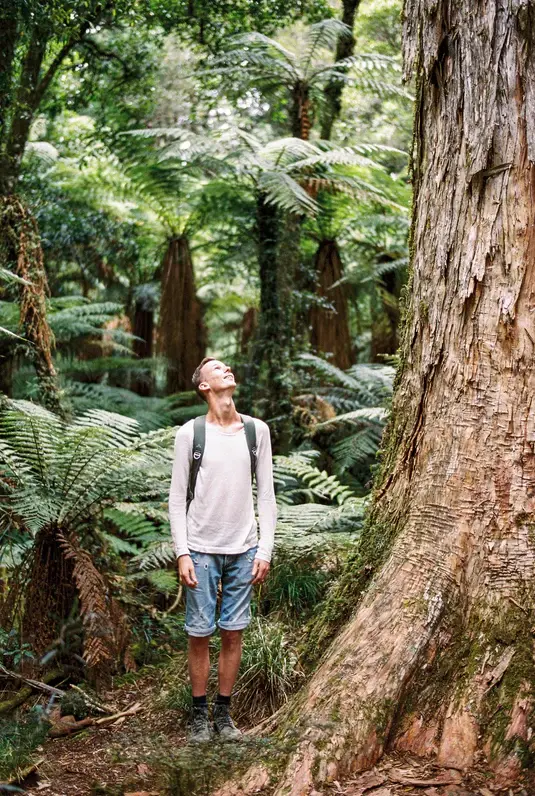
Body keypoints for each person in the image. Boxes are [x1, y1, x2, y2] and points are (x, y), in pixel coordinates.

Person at [169, 357, 277, 743]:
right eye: (217, 368)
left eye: (229, 367)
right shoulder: (190, 434)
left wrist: (265, 549)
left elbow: (266, 495)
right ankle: (199, 716)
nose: (227, 370)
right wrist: (182, 552)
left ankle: (224, 715)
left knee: (233, 633)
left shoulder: (256, 431)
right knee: (199, 632)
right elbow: (177, 497)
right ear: (203, 386)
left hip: (244, 548)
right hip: (200, 548)